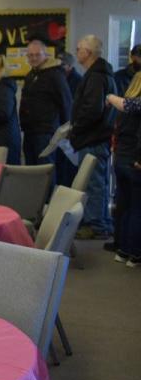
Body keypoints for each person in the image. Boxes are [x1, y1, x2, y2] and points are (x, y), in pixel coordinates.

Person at [71, 35, 117, 240]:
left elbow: (92, 110)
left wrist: (76, 127)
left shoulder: (96, 76)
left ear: (88, 53)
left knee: (94, 183)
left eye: (79, 48)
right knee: (99, 182)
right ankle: (102, 222)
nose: (76, 52)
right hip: (97, 137)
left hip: (92, 139)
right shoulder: (99, 74)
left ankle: (96, 225)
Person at [19, 37, 71, 170]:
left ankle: (48, 192)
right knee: (31, 171)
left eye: (37, 54)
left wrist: (67, 132)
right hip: (30, 132)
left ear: (45, 54)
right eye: (30, 55)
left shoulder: (55, 75)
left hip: (46, 133)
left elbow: (66, 103)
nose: (34, 58)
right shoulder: (30, 75)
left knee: (45, 171)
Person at [107, 74, 141, 265]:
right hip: (135, 161)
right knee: (137, 209)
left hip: (120, 158)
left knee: (124, 206)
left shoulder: (125, 106)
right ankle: (135, 254)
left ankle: (122, 250)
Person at [57, 51, 82, 186]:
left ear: (69, 66)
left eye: (61, 65)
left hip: (71, 130)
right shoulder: (57, 79)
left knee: (69, 168)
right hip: (58, 128)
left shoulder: (78, 82)